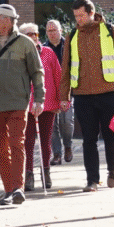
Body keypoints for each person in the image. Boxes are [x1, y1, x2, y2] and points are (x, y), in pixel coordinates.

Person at [58, 0, 114, 192]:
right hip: (82, 94)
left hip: (108, 92)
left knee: (111, 136)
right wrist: (64, 96)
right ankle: (91, 180)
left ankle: (112, 170)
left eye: (82, 15)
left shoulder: (109, 30)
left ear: (92, 13)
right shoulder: (72, 35)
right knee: (89, 139)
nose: (78, 19)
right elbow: (66, 68)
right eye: (76, 16)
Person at [0, 4, 44, 206]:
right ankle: (9, 190)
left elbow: (37, 72)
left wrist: (39, 99)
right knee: (1, 149)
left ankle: (18, 188)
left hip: (17, 102)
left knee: (16, 143)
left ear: (6, 21)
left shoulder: (25, 43)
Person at [19, 23, 61, 191]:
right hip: (26, 105)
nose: (34, 37)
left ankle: (46, 172)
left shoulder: (48, 53)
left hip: (47, 103)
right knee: (27, 142)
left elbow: (58, 76)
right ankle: (28, 174)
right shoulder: (18, 55)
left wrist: (60, 100)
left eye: (35, 34)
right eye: (29, 34)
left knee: (45, 140)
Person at [44, 19, 74, 165]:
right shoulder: (43, 49)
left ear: (60, 31)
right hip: (50, 91)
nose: (52, 33)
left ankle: (68, 146)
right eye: (49, 31)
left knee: (67, 121)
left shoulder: (69, 46)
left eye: (54, 30)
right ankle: (57, 154)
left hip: (67, 90)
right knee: (52, 125)